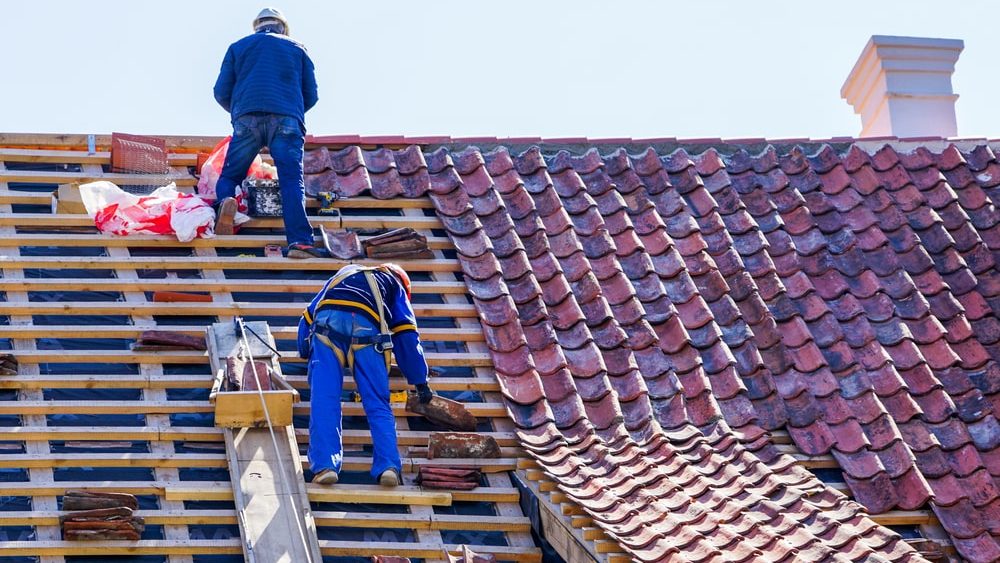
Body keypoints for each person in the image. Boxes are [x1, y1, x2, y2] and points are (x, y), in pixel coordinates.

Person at [297, 264, 434, 486]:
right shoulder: (394, 285)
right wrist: (420, 381)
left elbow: (307, 318)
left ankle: (325, 467)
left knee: (324, 400)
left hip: (325, 328)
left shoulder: (341, 275)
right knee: (378, 404)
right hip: (367, 333)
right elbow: (406, 334)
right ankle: (388, 467)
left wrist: (306, 351)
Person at [212, 7, 325, 258]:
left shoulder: (238, 47)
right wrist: (289, 113)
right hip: (287, 120)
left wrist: (241, 113)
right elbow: (312, 95)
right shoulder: (298, 48)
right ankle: (300, 243)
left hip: (246, 118)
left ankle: (225, 206)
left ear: (257, 26)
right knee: (291, 181)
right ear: (283, 27)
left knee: (230, 176)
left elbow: (220, 91)